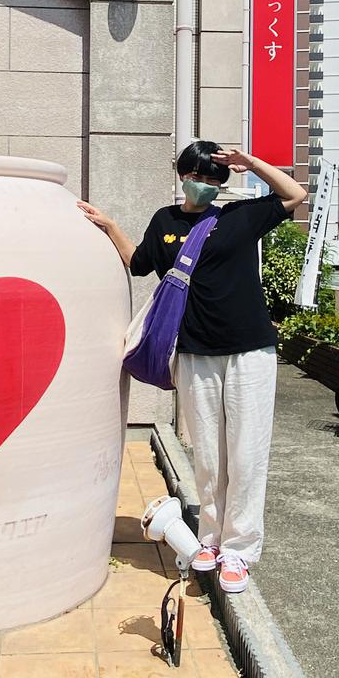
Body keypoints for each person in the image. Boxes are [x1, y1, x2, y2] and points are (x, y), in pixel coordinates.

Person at [78, 142, 306, 593]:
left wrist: (251, 163)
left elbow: (296, 195)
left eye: (216, 179)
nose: (207, 185)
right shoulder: (165, 221)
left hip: (250, 351)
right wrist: (109, 225)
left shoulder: (238, 217)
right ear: (181, 174)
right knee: (208, 453)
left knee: (246, 452)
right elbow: (138, 263)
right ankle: (210, 539)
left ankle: (239, 550)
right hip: (194, 352)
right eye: (199, 176)